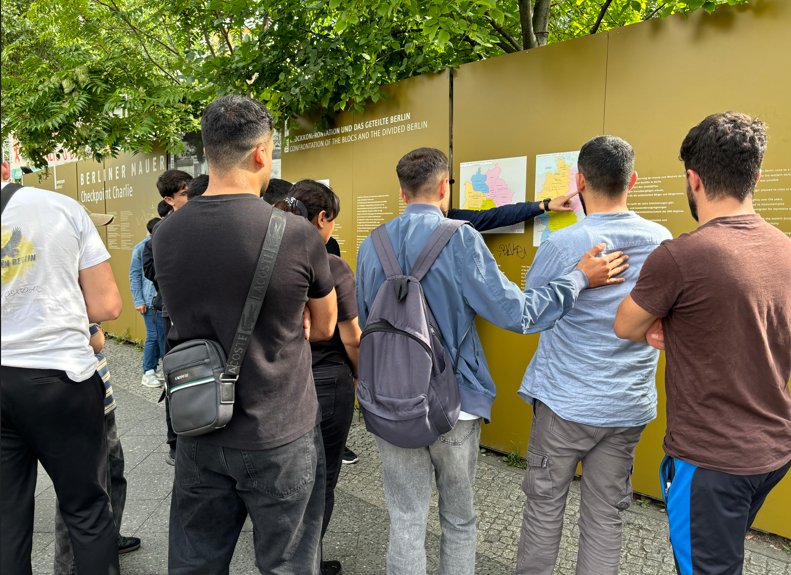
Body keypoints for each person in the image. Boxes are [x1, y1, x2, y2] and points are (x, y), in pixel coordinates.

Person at [355, 147, 629, 575]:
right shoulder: (460, 238)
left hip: (390, 401)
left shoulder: (371, 245)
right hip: (454, 403)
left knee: (405, 519)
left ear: (403, 193)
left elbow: (367, 321)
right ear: (444, 187)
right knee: (458, 518)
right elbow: (518, 314)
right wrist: (579, 277)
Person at [154, 94, 338, 575]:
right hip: (279, 430)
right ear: (261, 153)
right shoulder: (296, 234)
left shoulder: (165, 234)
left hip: (198, 422)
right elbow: (324, 327)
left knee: (195, 563)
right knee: (288, 564)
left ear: (207, 151)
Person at [614, 112, 791, 575]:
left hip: (711, 463)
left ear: (693, 179)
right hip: (773, 452)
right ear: (755, 176)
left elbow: (626, 326)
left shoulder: (680, 256)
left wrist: (665, 326)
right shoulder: (786, 249)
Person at [514, 136, 672, 575]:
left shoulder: (566, 243)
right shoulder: (662, 241)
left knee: (544, 508)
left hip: (565, 403)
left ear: (579, 181)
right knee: (606, 516)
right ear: (632, 180)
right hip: (627, 405)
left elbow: (532, 312)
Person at [1, 169, 123, 575]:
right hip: (59, 378)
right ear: (5, 167)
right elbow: (107, 305)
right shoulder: (59, 207)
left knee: (6, 519)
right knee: (86, 510)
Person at [275, 182, 360, 575]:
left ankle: (284, 555)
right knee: (320, 481)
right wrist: (360, 376)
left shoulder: (265, 257)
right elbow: (351, 337)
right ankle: (308, 563)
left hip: (277, 378)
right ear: (322, 218)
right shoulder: (332, 265)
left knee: (284, 477)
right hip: (327, 381)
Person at [53, 323, 141, 574]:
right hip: (73, 399)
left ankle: (110, 539)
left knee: (114, 472)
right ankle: (68, 568)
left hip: (99, 396)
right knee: (80, 489)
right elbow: (96, 341)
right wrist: (95, 330)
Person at [143, 169, 193, 464]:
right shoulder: (161, 232)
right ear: (169, 199)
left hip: (199, 309)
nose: (191, 197)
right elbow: (153, 272)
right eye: (184, 193)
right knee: (175, 373)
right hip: (170, 312)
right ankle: (175, 441)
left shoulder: (203, 221)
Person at [130, 217, 165, 387]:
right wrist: (138, 300)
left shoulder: (162, 245)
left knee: (161, 336)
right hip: (148, 300)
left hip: (160, 301)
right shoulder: (141, 248)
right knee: (153, 336)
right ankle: (148, 371)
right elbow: (135, 275)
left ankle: (155, 368)